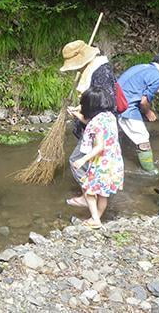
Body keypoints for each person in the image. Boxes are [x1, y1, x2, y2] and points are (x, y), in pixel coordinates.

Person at [60, 40, 117, 208]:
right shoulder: (96, 68)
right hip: (97, 124)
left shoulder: (100, 73)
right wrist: (80, 109)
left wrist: (82, 114)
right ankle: (96, 197)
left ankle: (89, 197)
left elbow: (103, 103)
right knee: (93, 162)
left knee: (77, 160)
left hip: (97, 127)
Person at [69, 87, 124, 228]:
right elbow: (95, 127)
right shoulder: (109, 116)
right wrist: (78, 116)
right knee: (103, 194)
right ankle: (96, 219)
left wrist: (82, 159)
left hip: (101, 163)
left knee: (88, 190)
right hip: (114, 162)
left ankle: (95, 218)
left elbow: (99, 146)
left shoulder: (96, 122)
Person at [117, 51, 159, 174]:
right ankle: (150, 171)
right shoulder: (157, 77)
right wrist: (148, 112)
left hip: (113, 101)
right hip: (126, 107)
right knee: (143, 138)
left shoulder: (141, 67)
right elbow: (143, 102)